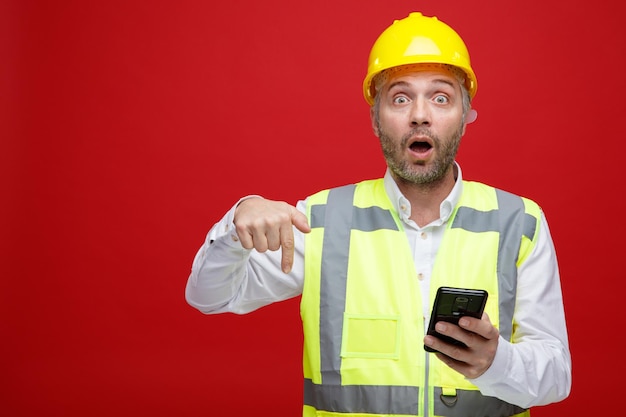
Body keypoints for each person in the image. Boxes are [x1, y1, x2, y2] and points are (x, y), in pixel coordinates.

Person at [185, 11, 571, 417]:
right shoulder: (319, 222)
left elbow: (557, 377)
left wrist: (496, 363)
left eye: (441, 98)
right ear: (376, 119)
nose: (420, 115)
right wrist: (237, 221)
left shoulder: (520, 222)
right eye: (400, 98)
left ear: (465, 116)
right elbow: (208, 296)